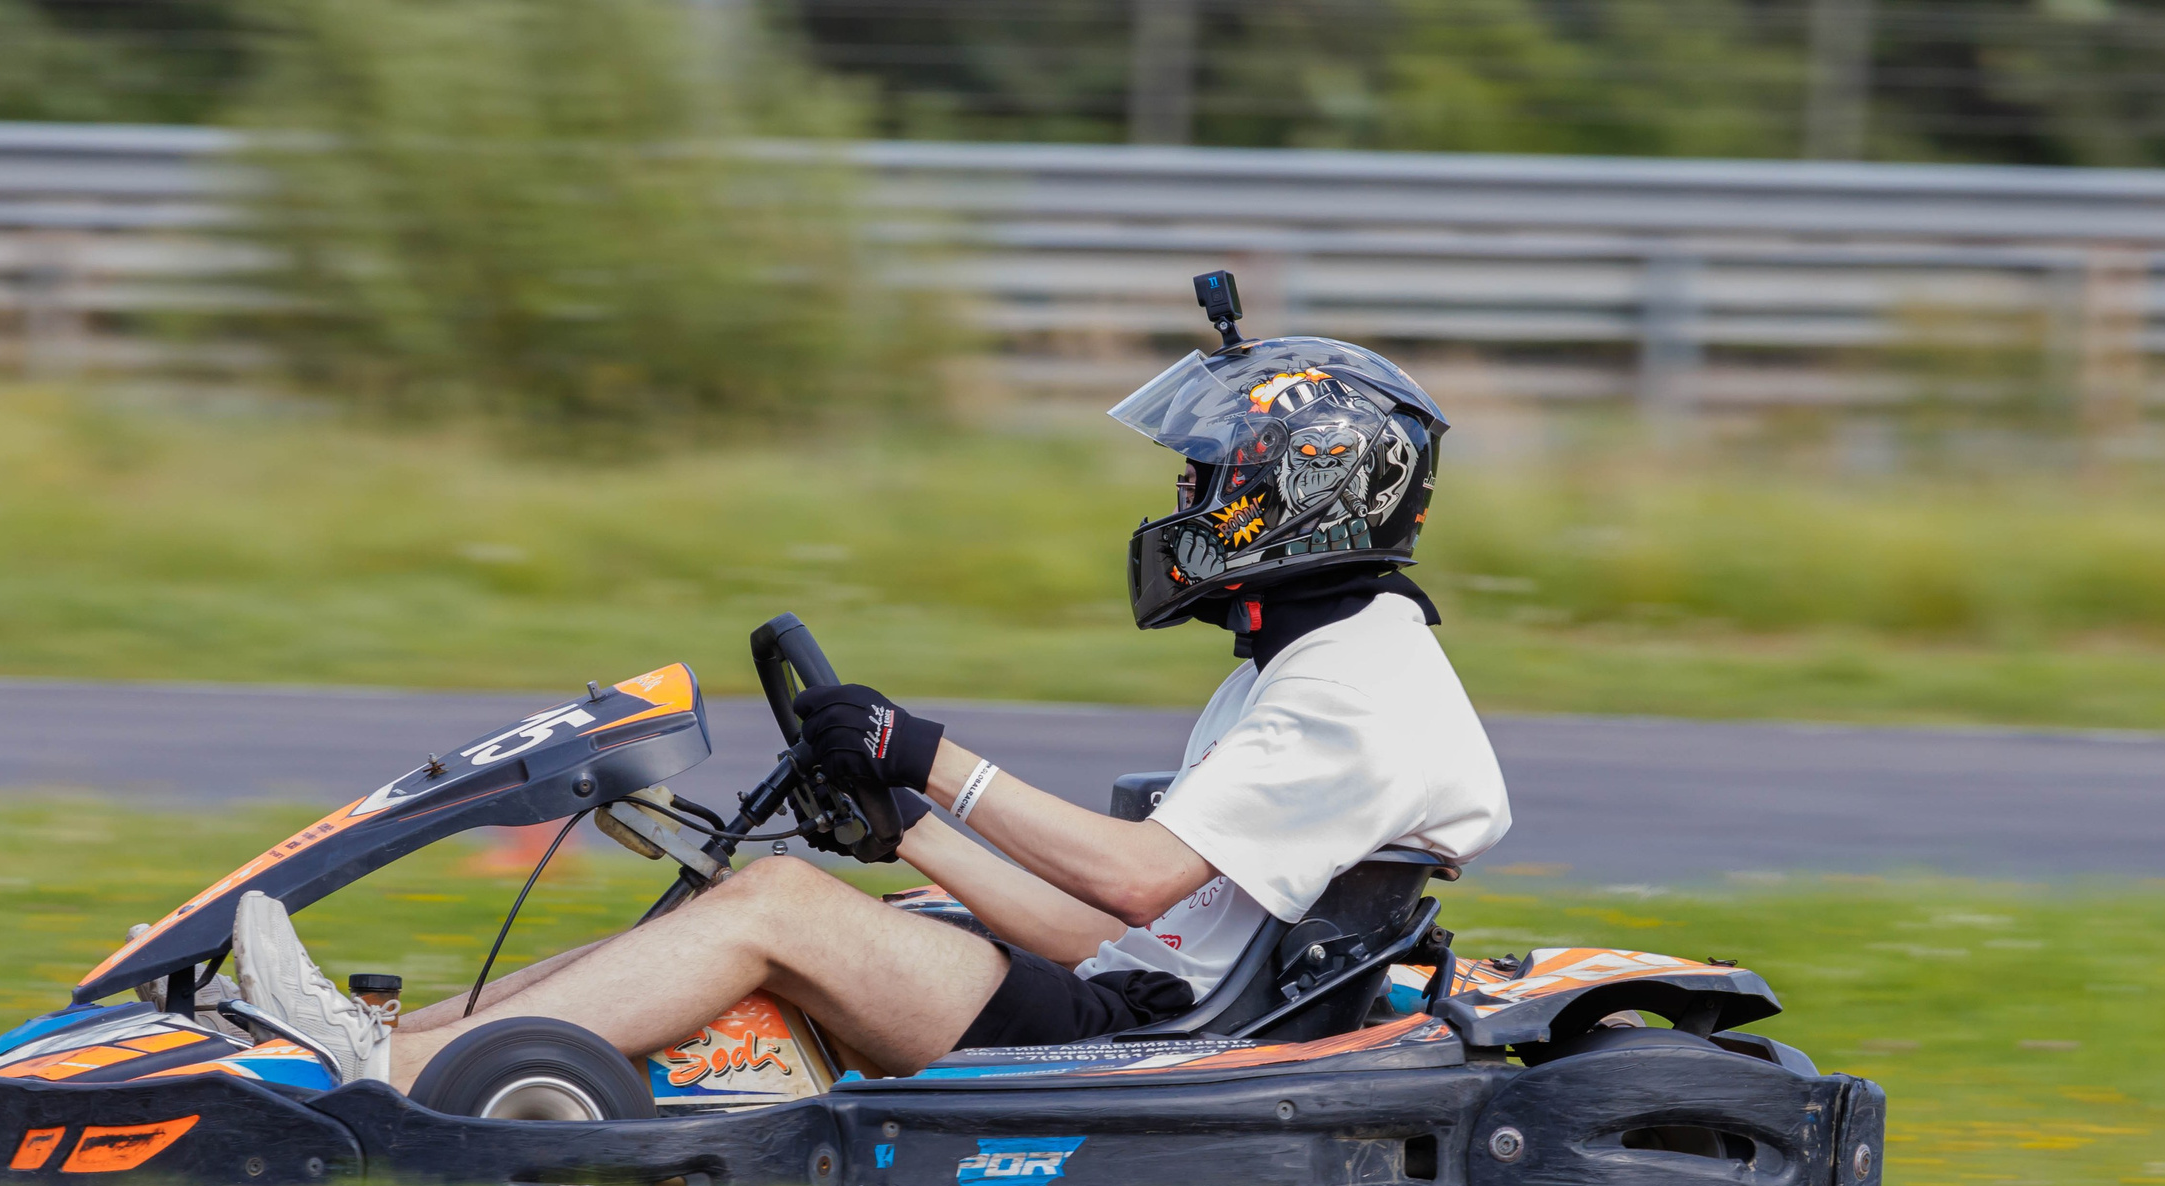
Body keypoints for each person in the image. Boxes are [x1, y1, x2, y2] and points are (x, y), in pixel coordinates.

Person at [229, 313, 1511, 1086]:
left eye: (1206, 482)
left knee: (779, 904)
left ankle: (389, 1077)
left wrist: (931, 755)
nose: (1181, 510)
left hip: (1161, 1045)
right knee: (759, 889)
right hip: (1138, 993)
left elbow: (1129, 890)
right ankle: (390, 1042)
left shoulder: (1348, 689)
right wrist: (905, 826)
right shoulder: (1314, 658)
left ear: (1299, 495)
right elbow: (1115, 934)